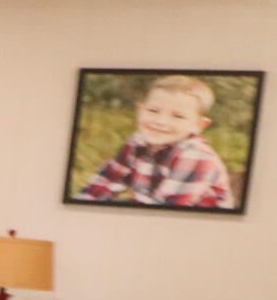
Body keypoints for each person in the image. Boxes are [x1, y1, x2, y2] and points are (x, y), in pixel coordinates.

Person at [76, 74, 237, 208]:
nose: (160, 122)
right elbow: (108, 179)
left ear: (198, 125)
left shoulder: (196, 156)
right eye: (153, 111)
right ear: (140, 110)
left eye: (178, 116)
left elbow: (168, 210)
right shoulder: (137, 142)